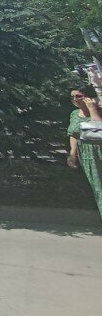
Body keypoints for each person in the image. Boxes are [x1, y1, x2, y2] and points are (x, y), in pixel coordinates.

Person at [67, 86, 102, 219]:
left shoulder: (99, 111)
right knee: (98, 189)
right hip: (87, 157)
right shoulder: (74, 114)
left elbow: (98, 131)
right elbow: (73, 134)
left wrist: (92, 109)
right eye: (72, 97)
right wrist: (73, 153)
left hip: (99, 151)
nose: (75, 99)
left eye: (79, 96)